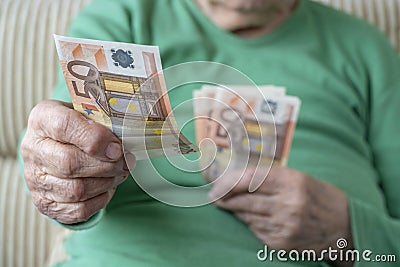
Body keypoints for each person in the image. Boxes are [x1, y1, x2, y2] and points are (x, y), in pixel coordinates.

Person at [19, 0, 400, 266]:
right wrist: (59, 177)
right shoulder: (122, 17)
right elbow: (66, 177)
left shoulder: (367, 48)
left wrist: (345, 232)